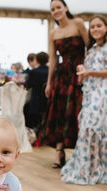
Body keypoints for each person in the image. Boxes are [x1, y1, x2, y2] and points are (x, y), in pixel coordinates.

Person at [39, 0, 88, 168]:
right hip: (61, 76)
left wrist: (88, 70)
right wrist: (48, 83)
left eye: (58, 7)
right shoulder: (53, 33)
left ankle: (81, 153)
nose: (56, 11)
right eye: (53, 9)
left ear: (66, 8)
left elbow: (90, 46)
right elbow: (52, 59)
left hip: (80, 72)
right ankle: (59, 151)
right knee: (61, 112)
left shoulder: (78, 23)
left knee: (78, 111)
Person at [61, 15, 107, 184]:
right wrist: (83, 71)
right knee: (87, 128)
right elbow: (86, 76)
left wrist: (90, 72)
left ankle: (99, 167)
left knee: (94, 128)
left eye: (99, 26)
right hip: (90, 92)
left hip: (103, 92)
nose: (95, 29)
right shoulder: (92, 49)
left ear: (106, 28)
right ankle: (89, 166)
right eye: (92, 26)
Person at [23, 52, 49, 135]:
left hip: (36, 99)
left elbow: (28, 85)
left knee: (33, 117)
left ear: (37, 60)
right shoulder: (50, 71)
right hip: (47, 98)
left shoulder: (33, 72)